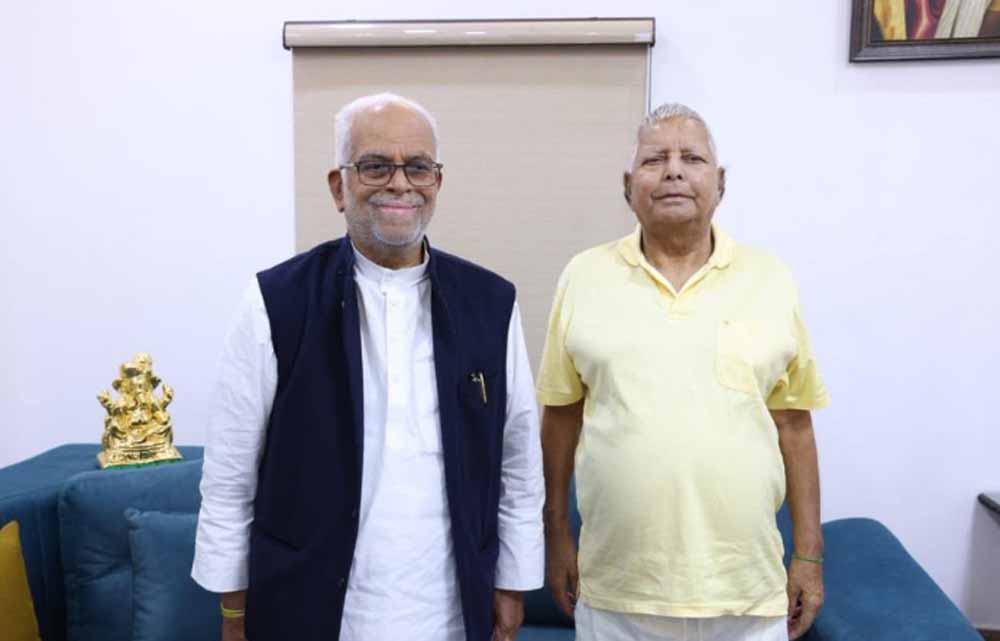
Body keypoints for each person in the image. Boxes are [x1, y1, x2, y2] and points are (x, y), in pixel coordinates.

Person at [192, 92, 544, 641]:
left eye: (418, 167)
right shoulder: (276, 302)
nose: (400, 184)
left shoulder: (490, 303)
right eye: (376, 166)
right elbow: (229, 473)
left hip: (450, 613)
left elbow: (518, 463)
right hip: (311, 609)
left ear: (437, 182)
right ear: (339, 186)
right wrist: (234, 612)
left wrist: (513, 585)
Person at [537, 103, 829, 641]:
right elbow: (560, 414)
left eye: (691, 158)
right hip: (618, 594)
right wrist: (555, 533)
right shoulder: (583, 276)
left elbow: (794, 425)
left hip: (746, 593)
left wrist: (809, 555)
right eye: (655, 159)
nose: (673, 171)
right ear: (628, 186)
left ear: (720, 183)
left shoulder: (771, 279)